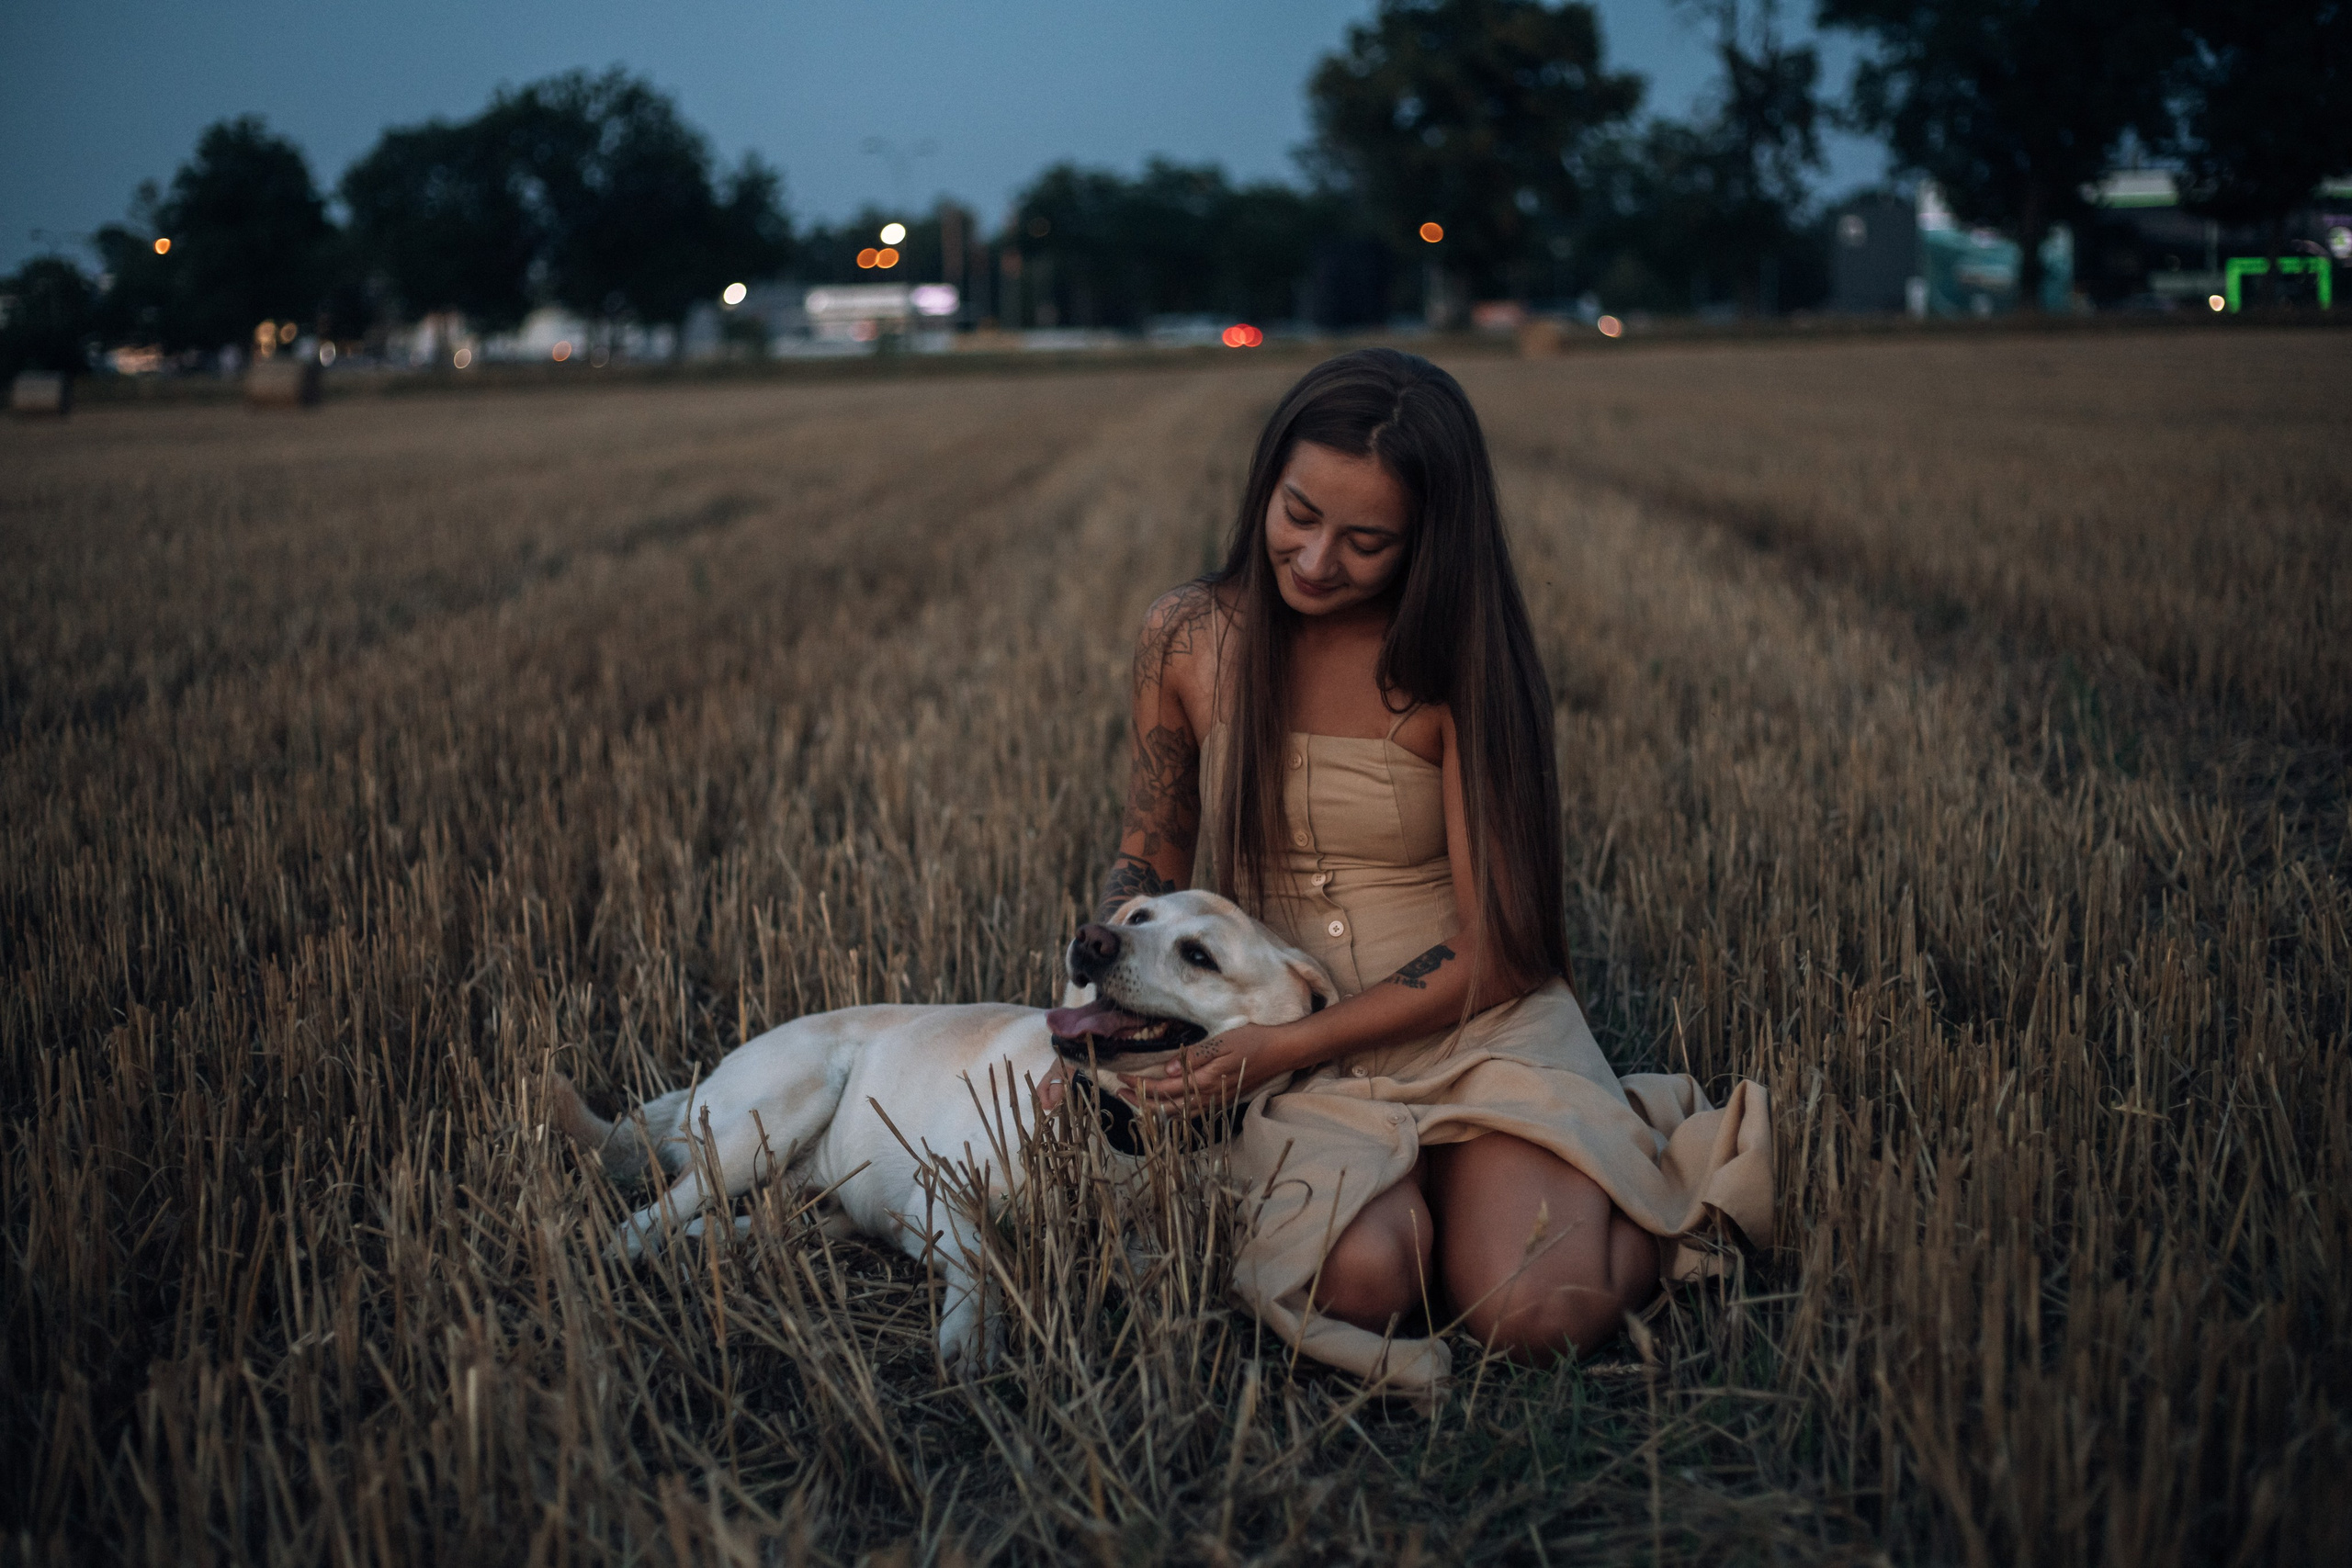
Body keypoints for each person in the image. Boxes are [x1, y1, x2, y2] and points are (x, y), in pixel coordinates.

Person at [1091, 347, 1770, 1401]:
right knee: (1363, 1283)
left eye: (1366, 542)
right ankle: (1452, 1195)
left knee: (1537, 1311)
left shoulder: (1459, 662)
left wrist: (1284, 1047)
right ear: (1266, 482)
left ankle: (1607, 1166)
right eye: (1297, 514)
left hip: (1474, 1032)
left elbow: (1501, 946)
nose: (1316, 560)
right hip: (1289, 1049)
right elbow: (1150, 854)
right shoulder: (1186, 634)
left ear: (1429, 542)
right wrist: (1098, 1000)